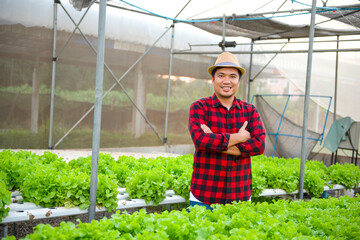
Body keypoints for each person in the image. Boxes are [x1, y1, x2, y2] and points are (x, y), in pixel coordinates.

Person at [188, 52, 266, 210]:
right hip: (204, 194)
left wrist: (214, 141)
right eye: (221, 75)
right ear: (213, 79)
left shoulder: (249, 111)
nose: (226, 81)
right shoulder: (199, 107)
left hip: (240, 195)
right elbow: (201, 141)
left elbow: (259, 145)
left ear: (239, 80)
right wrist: (241, 137)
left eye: (232, 76)